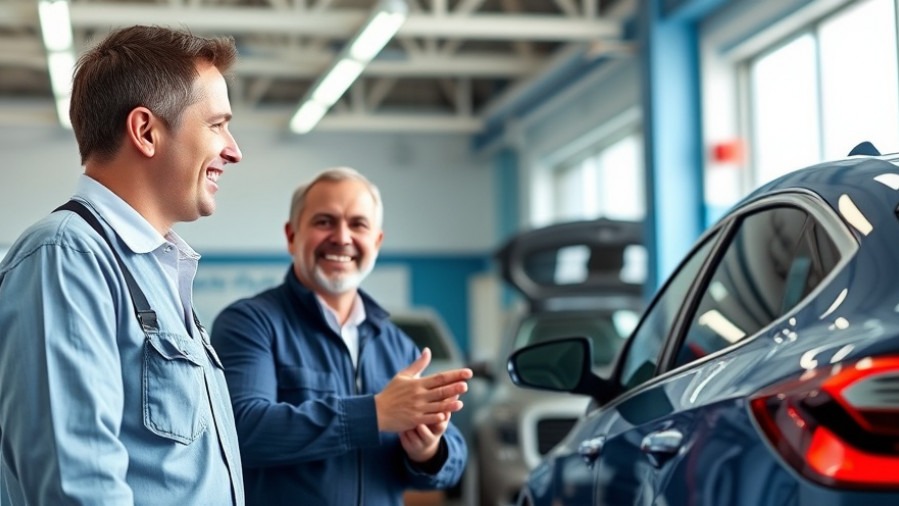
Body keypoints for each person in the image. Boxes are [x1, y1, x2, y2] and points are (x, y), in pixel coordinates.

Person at [0, 26, 244, 505]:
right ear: (146, 132)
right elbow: (78, 487)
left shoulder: (155, 268)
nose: (234, 150)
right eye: (217, 125)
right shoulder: (66, 258)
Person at [211, 167, 471, 506]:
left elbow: (454, 460)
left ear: (376, 242)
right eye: (324, 221)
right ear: (292, 235)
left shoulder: (397, 345)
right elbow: (241, 431)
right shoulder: (250, 323)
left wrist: (428, 450)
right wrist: (374, 414)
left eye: (358, 224)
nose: (342, 237)